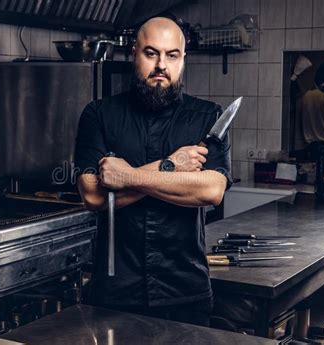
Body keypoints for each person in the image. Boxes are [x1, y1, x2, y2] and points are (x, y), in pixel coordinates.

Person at [74, 16, 232, 327]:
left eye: (171, 55)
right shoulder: (99, 114)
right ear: (134, 53)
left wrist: (127, 176)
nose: (161, 64)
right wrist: (171, 168)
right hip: (115, 293)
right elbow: (93, 194)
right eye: (151, 53)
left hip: (186, 291)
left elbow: (211, 190)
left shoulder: (207, 117)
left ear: (183, 59)